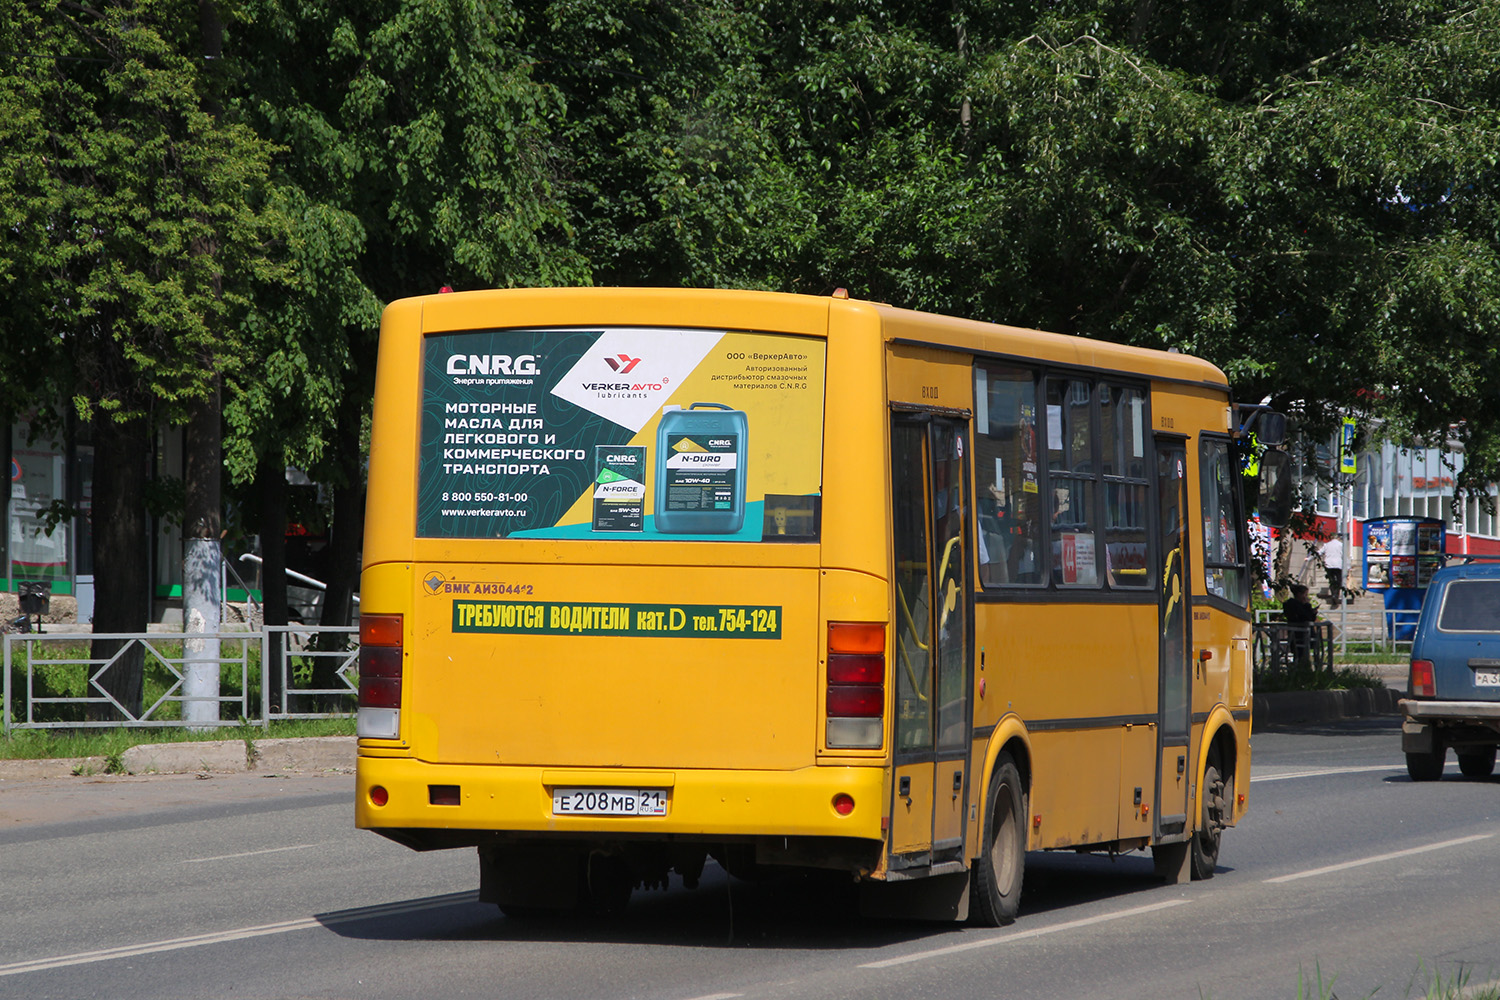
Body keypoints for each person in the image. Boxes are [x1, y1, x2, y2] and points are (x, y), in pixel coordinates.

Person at [1281, 584, 1318, 669]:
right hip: (1300, 633)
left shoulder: (1291, 604)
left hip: (1298, 633)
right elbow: (1305, 617)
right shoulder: (1295, 605)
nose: (1306, 597)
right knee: (1300, 654)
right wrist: (1308, 606)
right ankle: (1301, 670)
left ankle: (1301, 669)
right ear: (1299, 594)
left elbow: (1309, 618)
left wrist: (1312, 612)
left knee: (1300, 654)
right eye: (1305, 594)